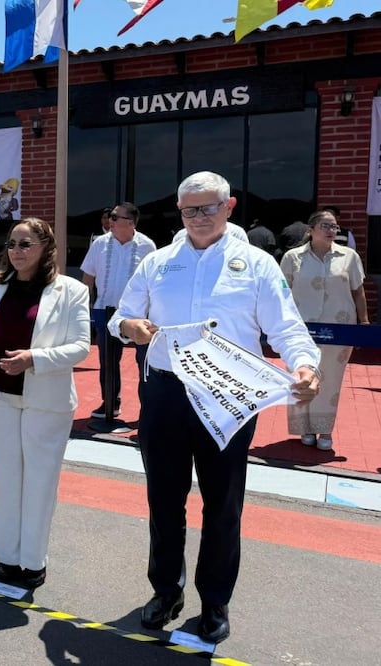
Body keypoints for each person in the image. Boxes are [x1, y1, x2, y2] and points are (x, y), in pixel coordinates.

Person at [109, 171, 321, 644]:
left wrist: (306, 366)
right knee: (164, 500)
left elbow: (286, 327)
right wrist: (131, 328)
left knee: (222, 506)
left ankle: (215, 601)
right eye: (189, 209)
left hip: (227, 398)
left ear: (229, 207)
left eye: (208, 208)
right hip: (165, 393)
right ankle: (166, 591)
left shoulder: (257, 264)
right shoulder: (159, 262)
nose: (198, 217)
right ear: (179, 212)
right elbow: (119, 318)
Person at [0, 216, 90, 589]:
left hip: (45, 401)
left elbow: (81, 347)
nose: (17, 251)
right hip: (0, 396)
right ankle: (8, 555)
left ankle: (33, 561)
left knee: (39, 482)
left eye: (25, 244)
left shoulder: (70, 290)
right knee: (5, 479)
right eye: (11, 244)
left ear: (45, 248)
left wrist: (34, 359)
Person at [280, 210, 369, 451]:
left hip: (339, 328)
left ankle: (326, 429)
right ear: (311, 230)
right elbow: (281, 293)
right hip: (301, 328)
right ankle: (306, 428)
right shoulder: (292, 257)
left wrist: (364, 322)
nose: (332, 230)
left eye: (335, 227)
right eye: (326, 225)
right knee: (302, 375)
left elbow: (358, 291)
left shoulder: (349, 257)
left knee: (331, 380)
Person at [79, 202, 156, 419]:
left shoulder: (147, 246)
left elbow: (155, 282)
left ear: (130, 223)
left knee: (144, 363)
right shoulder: (99, 244)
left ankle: (148, 410)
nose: (109, 221)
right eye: (110, 217)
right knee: (108, 362)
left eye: (114, 217)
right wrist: (83, 310)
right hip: (105, 310)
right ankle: (110, 404)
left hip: (139, 316)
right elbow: (88, 279)